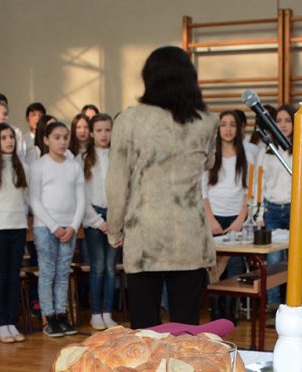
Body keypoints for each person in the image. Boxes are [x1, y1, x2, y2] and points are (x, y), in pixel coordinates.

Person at [106, 46, 219, 328]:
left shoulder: (129, 120)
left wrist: (115, 229)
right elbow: (209, 162)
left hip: (145, 233)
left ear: (149, 78)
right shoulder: (207, 121)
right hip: (189, 234)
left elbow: (117, 181)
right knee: (186, 326)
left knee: (145, 327)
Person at [257, 103, 302, 314]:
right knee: (273, 261)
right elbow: (258, 184)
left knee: (295, 261)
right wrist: (259, 213)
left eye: (287, 120)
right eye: (278, 121)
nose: (283, 125)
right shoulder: (266, 150)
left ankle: (292, 305)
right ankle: (274, 306)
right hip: (272, 210)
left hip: (296, 210)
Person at [30, 120, 85, 337]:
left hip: (68, 228)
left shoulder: (74, 166)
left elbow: (81, 199)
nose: (62, 142)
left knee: (63, 272)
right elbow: (34, 200)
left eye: (65, 137)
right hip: (46, 228)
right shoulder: (39, 166)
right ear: (46, 140)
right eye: (57, 137)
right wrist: (54, 227)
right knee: (48, 272)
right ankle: (49, 317)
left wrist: (73, 226)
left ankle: (62, 315)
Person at [0, 123, 30, 343]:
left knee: (13, 275)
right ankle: (1, 323)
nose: (9, 141)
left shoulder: (22, 166)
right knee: (0, 276)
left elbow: (26, 198)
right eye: (3, 138)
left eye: (11, 137)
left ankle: (12, 321)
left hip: (18, 226)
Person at [201, 111, 248, 324]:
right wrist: (211, 220)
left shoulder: (246, 154)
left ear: (238, 129)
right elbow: (202, 191)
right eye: (223, 124)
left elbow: (249, 191)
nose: (228, 129)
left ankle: (230, 312)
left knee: (235, 267)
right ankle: (216, 310)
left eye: (232, 125)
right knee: (213, 267)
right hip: (214, 217)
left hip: (236, 218)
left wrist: (240, 220)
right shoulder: (210, 154)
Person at [80, 113, 119, 331]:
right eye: (99, 130)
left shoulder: (117, 156)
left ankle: (107, 312)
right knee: (98, 267)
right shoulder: (84, 158)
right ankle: (96, 313)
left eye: (107, 130)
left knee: (111, 268)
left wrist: (115, 219)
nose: (104, 135)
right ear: (92, 133)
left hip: (114, 215)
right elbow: (81, 195)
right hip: (93, 216)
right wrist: (96, 220)